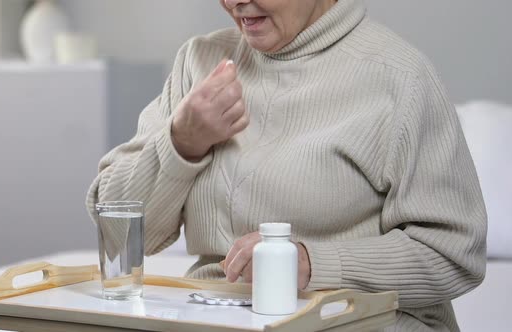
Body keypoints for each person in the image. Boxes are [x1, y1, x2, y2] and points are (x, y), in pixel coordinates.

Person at [86, 0, 487, 330]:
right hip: (208, 316)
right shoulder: (201, 60)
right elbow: (116, 232)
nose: (234, 2)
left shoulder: (399, 77)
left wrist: (312, 265)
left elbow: (454, 254)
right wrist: (181, 142)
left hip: (355, 319)